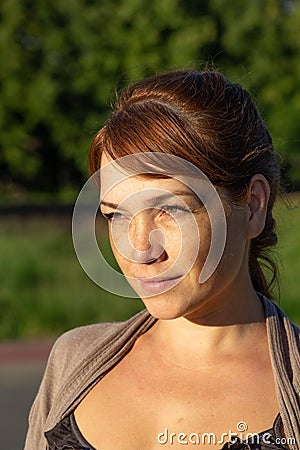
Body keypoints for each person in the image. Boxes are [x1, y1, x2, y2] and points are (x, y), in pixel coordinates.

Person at [24, 70, 299, 450]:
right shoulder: (72, 362)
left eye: (171, 209)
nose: (140, 248)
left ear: (252, 206)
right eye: (117, 215)